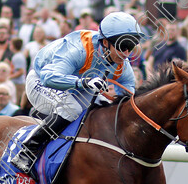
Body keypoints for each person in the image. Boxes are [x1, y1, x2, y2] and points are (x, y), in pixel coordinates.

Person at [9, 11, 142, 174]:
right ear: (105, 42)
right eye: (123, 46)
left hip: (77, 86)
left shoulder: (122, 62)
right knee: (71, 109)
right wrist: (83, 82)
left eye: (131, 46)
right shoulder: (79, 48)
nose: (127, 53)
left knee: (100, 110)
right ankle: (27, 150)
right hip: (42, 79)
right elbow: (49, 78)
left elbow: (129, 87)